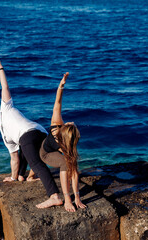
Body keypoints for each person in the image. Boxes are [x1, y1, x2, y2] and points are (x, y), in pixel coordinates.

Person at [0, 54, 62, 208]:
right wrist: (13, 177)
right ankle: (23, 176)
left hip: (35, 132)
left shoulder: (6, 108)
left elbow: (4, 86)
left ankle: (54, 196)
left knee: (37, 162)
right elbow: (15, 159)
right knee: (32, 152)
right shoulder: (6, 137)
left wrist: (0, 68)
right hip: (35, 137)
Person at [39, 72, 87, 212]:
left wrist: (77, 197)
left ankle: (73, 197)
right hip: (45, 153)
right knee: (64, 164)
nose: (72, 122)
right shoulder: (56, 123)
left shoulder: (67, 143)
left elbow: (75, 173)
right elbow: (57, 102)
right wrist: (61, 85)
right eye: (72, 124)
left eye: (72, 125)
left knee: (72, 167)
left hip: (57, 149)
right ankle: (66, 198)